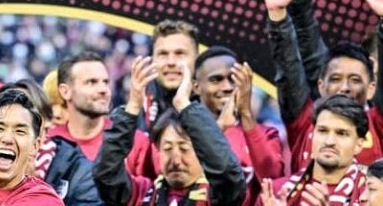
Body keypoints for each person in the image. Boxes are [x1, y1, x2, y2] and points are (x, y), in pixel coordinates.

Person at [265, 0, 383, 168]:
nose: (344, 87)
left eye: (355, 80)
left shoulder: (378, 123)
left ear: (372, 88)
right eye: (335, 79)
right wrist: (277, 16)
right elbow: (289, 66)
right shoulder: (304, 120)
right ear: (321, 86)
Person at [94, 55, 246, 206]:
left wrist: (184, 105)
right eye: (167, 149)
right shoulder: (140, 194)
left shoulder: (217, 196)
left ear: (203, 152)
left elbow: (227, 173)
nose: (176, 161)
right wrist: (132, 107)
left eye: (184, 149)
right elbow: (106, 174)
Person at [191, 46, 284, 205]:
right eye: (216, 80)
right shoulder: (181, 132)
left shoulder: (266, 134)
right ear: (196, 87)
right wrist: (219, 128)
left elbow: (272, 179)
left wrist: (245, 112)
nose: (227, 87)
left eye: (233, 79)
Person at [49, 52, 151, 175]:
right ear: (66, 91)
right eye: (91, 82)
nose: (103, 89)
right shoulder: (48, 145)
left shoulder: (135, 142)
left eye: (106, 82)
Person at [260, 95, 369, 206]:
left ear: (359, 144)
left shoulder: (371, 196)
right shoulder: (275, 192)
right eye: (322, 131)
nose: (329, 141)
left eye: (341, 134)